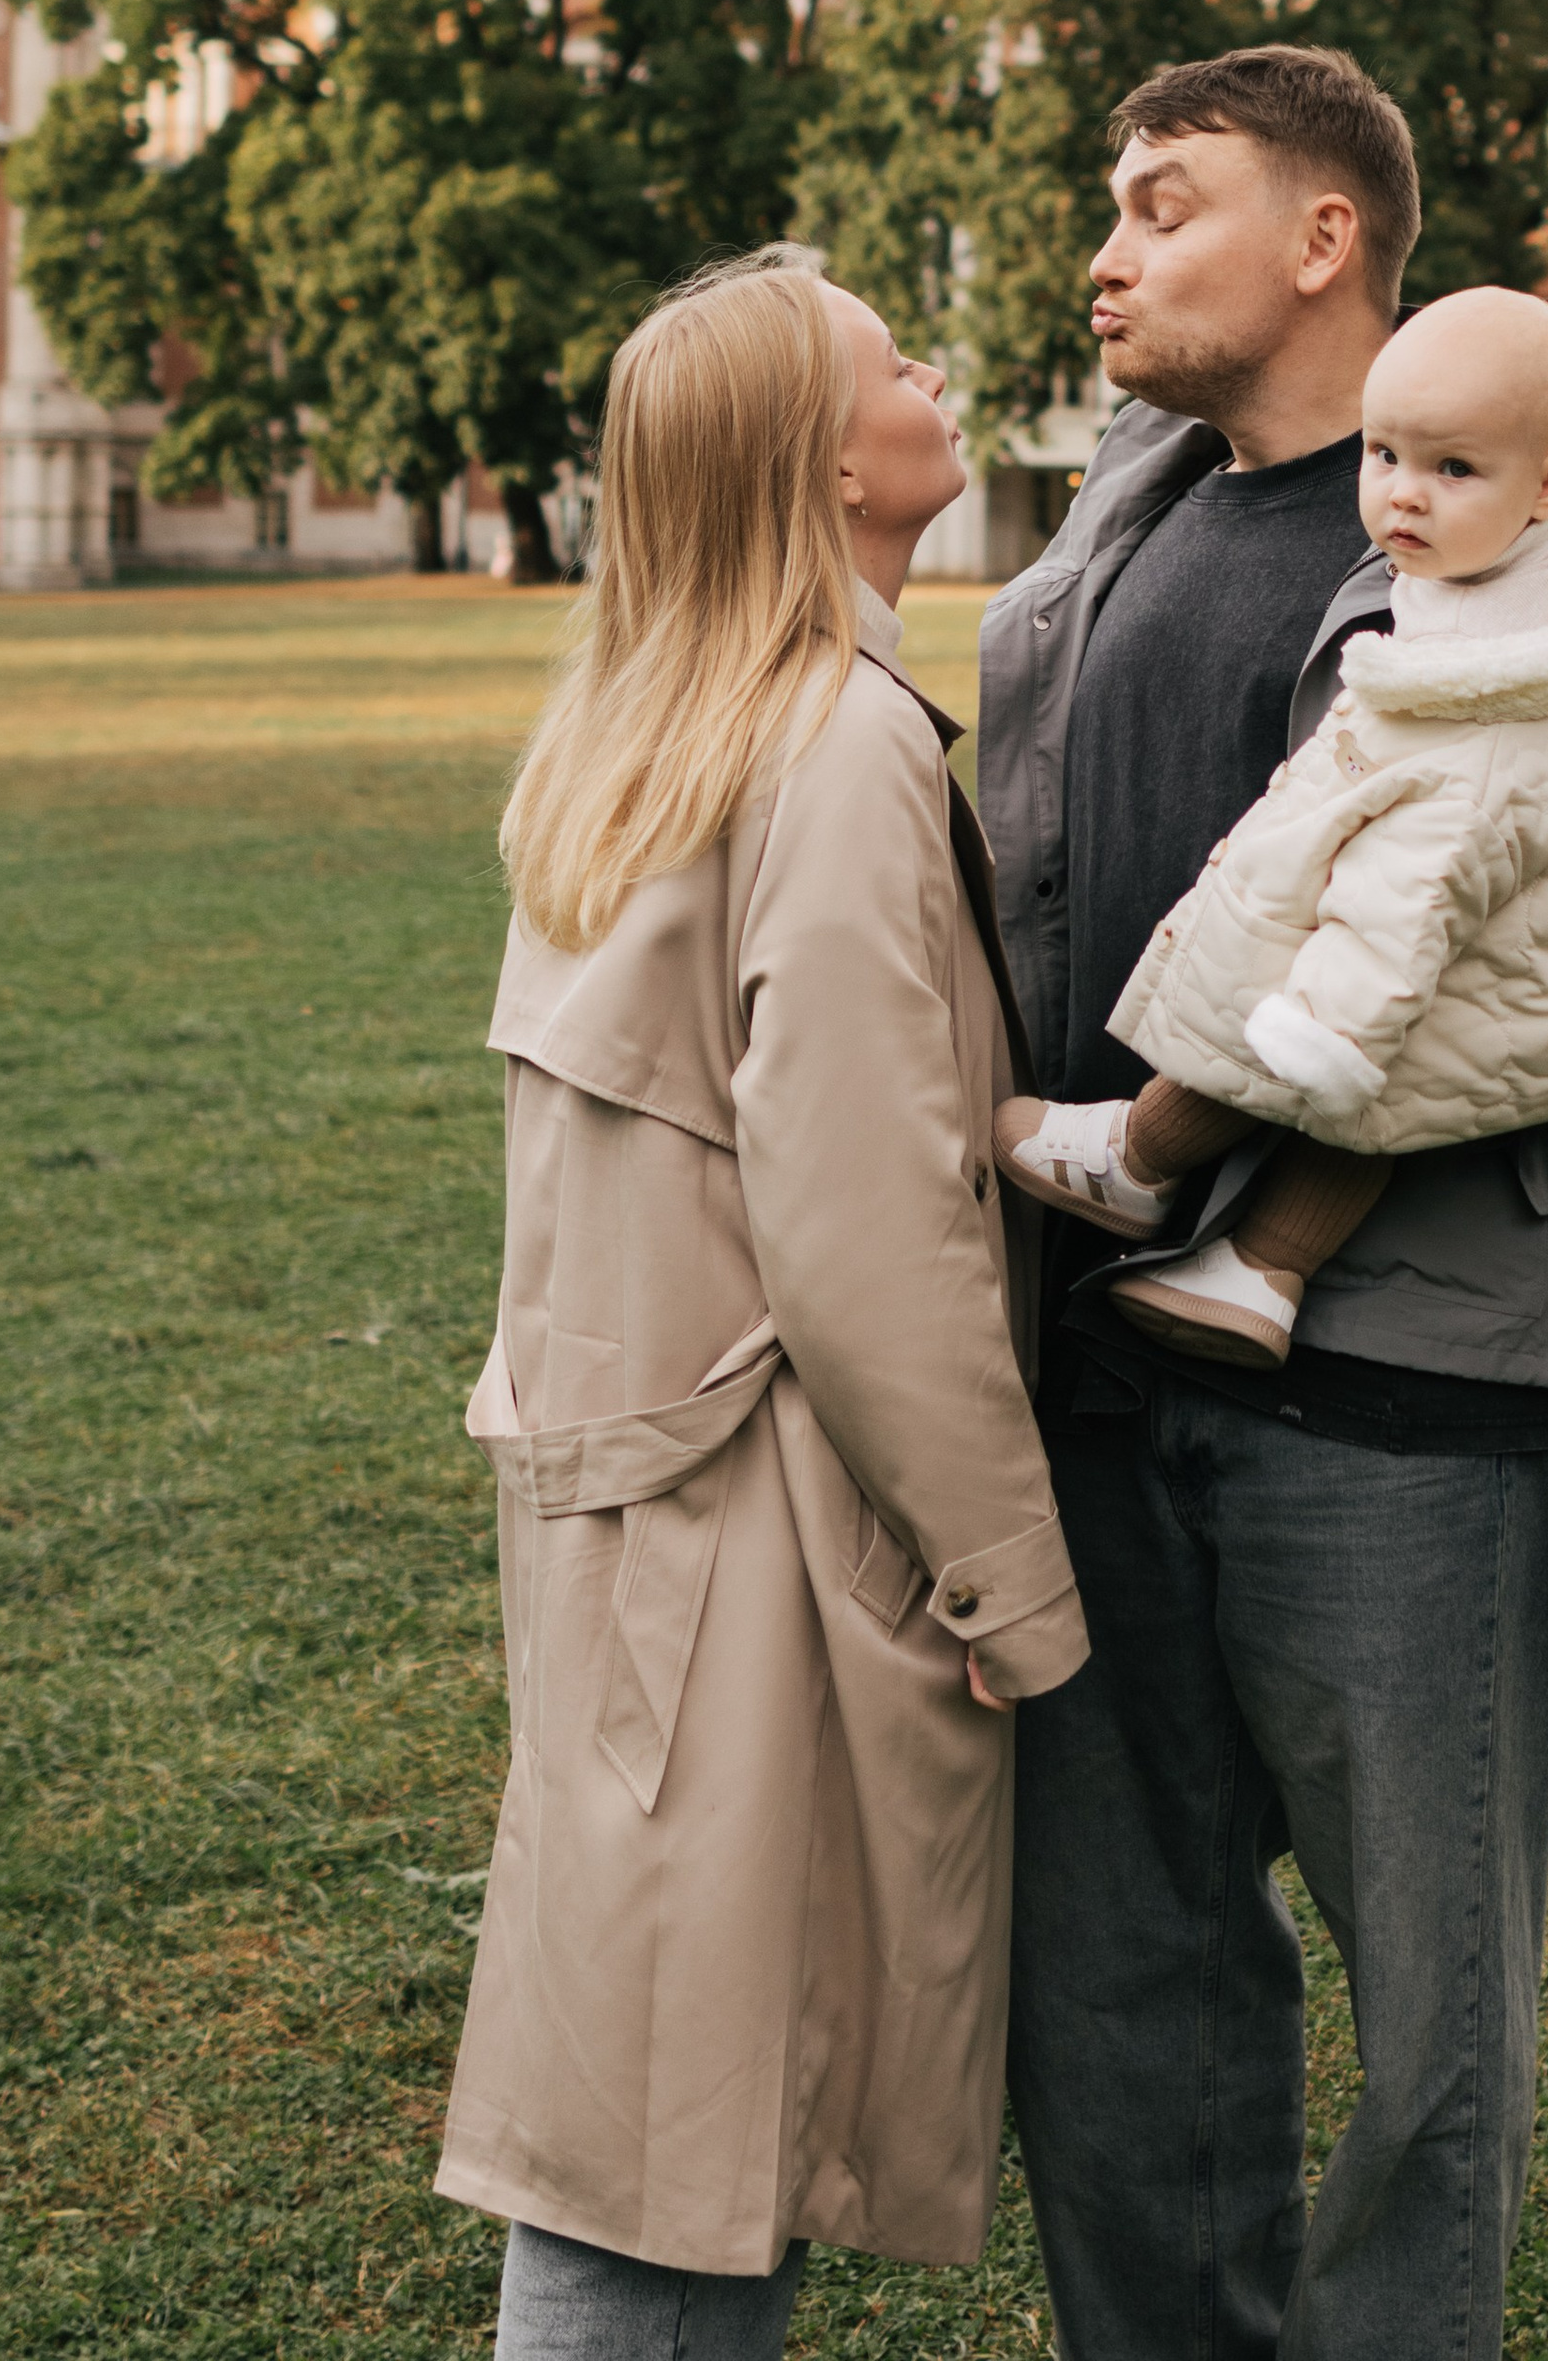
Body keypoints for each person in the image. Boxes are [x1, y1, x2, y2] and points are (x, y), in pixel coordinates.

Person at [976, 45, 1548, 2361]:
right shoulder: (1112, 517)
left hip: (1394, 1400)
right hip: (1083, 1378)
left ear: (1322, 236)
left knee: (1430, 2027)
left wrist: (1294, 1112)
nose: (1101, 250)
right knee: (1116, 1996)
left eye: (1157, 202)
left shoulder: (1538, 536)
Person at [436, 247, 1088, 2361]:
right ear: (821, 461)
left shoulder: (647, 729)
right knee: (676, 2156)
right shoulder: (829, 744)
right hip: (751, 1547)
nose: (934, 371)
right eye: (891, 357)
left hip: (633, 1520)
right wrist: (1015, 1590)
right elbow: (860, 1225)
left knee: (644, 2112)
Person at [995, 284, 1548, 1364]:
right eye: (1384, 454)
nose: (1404, 497)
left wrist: (1329, 1025)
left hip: (1426, 973)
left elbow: (1406, 893)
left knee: (1313, 1020)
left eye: (1452, 470)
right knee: (1420, 1077)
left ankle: (1140, 1155)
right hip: (1521, 981)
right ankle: (1262, 1269)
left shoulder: (1475, 706)